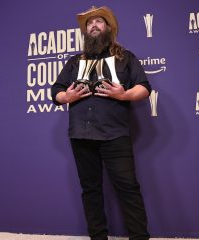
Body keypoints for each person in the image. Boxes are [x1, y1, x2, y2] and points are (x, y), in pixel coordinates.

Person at [51, 6, 151, 240]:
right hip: (80, 135)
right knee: (91, 190)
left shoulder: (125, 57)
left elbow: (144, 88)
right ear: (86, 31)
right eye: (89, 23)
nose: (93, 25)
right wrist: (67, 97)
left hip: (115, 134)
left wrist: (124, 95)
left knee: (128, 189)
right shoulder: (75, 61)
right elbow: (56, 90)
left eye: (98, 21)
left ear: (108, 28)